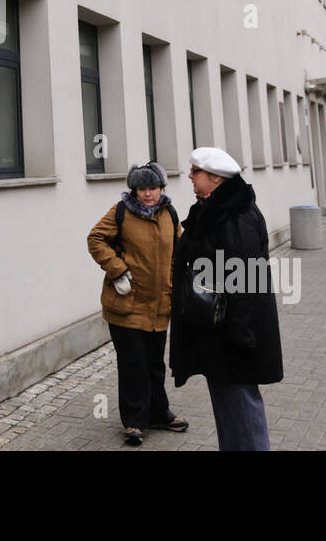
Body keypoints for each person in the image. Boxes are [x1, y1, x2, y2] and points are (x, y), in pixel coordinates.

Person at [169, 147, 283, 451]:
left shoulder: (237, 216)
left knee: (242, 413)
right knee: (229, 411)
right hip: (217, 332)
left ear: (216, 179)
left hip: (234, 337)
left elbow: (248, 282)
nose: (190, 176)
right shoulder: (213, 210)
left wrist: (240, 339)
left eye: (196, 171)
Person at [87, 161, 188, 446]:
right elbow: (95, 239)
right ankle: (134, 421)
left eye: (152, 188)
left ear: (161, 188)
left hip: (159, 306)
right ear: (134, 190)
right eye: (142, 188)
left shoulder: (170, 214)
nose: (147, 194)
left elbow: (179, 251)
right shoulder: (121, 212)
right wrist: (117, 269)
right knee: (134, 363)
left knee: (155, 363)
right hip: (126, 305)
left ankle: (158, 413)